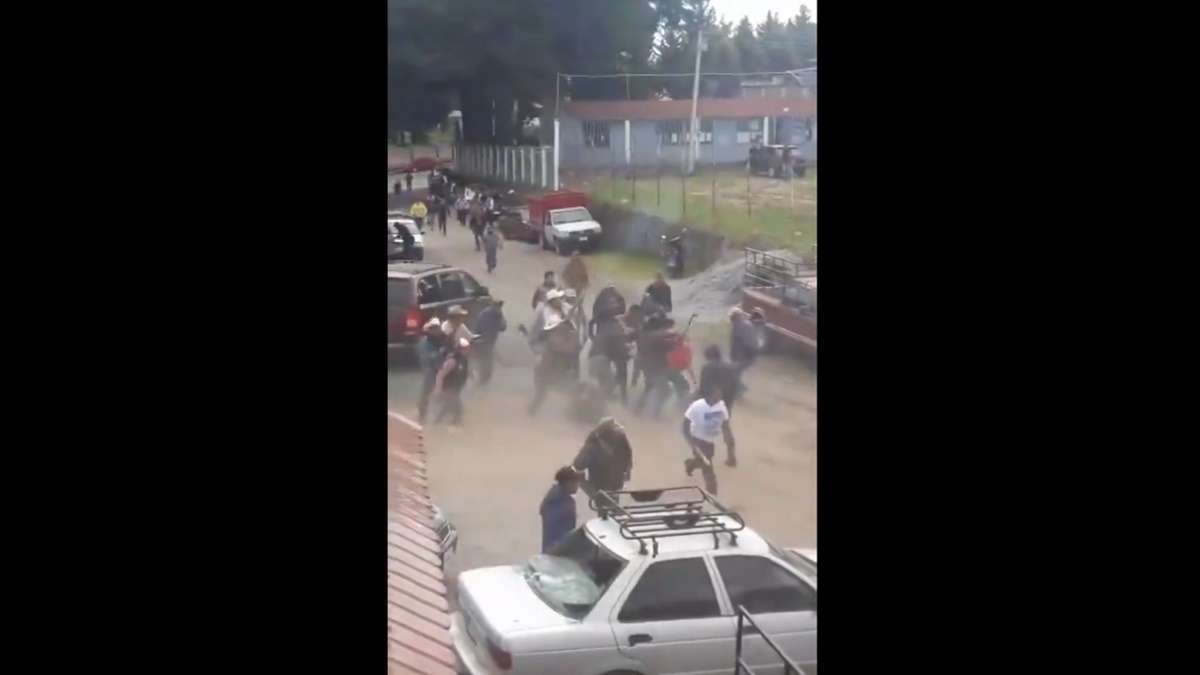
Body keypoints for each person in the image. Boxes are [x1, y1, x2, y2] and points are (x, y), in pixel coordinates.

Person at [571, 418, 633, 510]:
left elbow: (627, 455)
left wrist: (626, 472)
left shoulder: (620, 440)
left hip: (615, 486)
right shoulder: (592, 448)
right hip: (601, 488)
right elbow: (577, 469)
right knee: (606, 515)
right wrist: (591, 492)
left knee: (614, 514)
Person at [682, 386, 730, 495]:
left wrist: (726, 437)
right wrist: (693, 446)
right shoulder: (697, 406)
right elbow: (685, 427)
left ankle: (690, 464)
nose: (718, 398)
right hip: (697, 439)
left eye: (720, 395)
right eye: (716, 395)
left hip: (710, 441)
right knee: (708, 469)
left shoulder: (721, 406)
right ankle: (712, 495)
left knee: (704, 460)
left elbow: (725, 422)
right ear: (709, 394)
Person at [697, 345, 740, 466]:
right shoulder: (731, 368)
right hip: (726, 401)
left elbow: (703, 388)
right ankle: (731, 456)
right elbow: (736, 386)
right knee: (725, 428)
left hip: (712, 401)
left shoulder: (707, 367)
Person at [539, 467, 581, 553]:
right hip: (558, 551)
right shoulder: (562, 503)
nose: (578, 485)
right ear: (567, 483)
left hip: (551, 549)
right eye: (575, 482)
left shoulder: (553, 498)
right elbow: (562, 532)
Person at [434, 337, 471, 426]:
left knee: (446, 407)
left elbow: (464, 371)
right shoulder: (452, 360)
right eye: (465, 349)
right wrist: (438, 389)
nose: (467, 350)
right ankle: (455, 425)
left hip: (456, 388)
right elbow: (441, 375)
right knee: (457, 408)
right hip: (448, 388)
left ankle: (437, 423)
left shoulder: (463, 359)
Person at [416, 319, 447, 425]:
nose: (436, 331)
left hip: (442, 369)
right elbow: (426, 357)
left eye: (437, 328)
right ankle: (422, 412)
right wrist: (440, 353)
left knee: (446, 392)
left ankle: (441, 415)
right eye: (433, 329)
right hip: (429, 369)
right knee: (426, 392)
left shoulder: (443, 339)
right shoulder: (424, 342)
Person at [729, 307, 764, 397]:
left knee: (733, 372)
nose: (730, 319)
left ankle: (740, 390)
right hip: (739, 355)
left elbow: (749, 343)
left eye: (731, 317)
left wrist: (745, 357)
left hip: (744, 356)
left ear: (735, 317)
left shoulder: (744, 326)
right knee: (734, 373)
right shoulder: (739, 324)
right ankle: (739, 390)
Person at [471, 299, 507, 385]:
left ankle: (480, 384)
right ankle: (478, 385)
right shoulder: (484, 315)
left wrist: (500, 317)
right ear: (492, 306)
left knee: (487, 370)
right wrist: (476, 341)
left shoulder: (498, 316)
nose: (499, 308)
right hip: (481, 344)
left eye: (500, 306)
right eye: (497, 306)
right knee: (484, 367)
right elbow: (476, 329)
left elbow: (503, 328)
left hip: (490, 345)